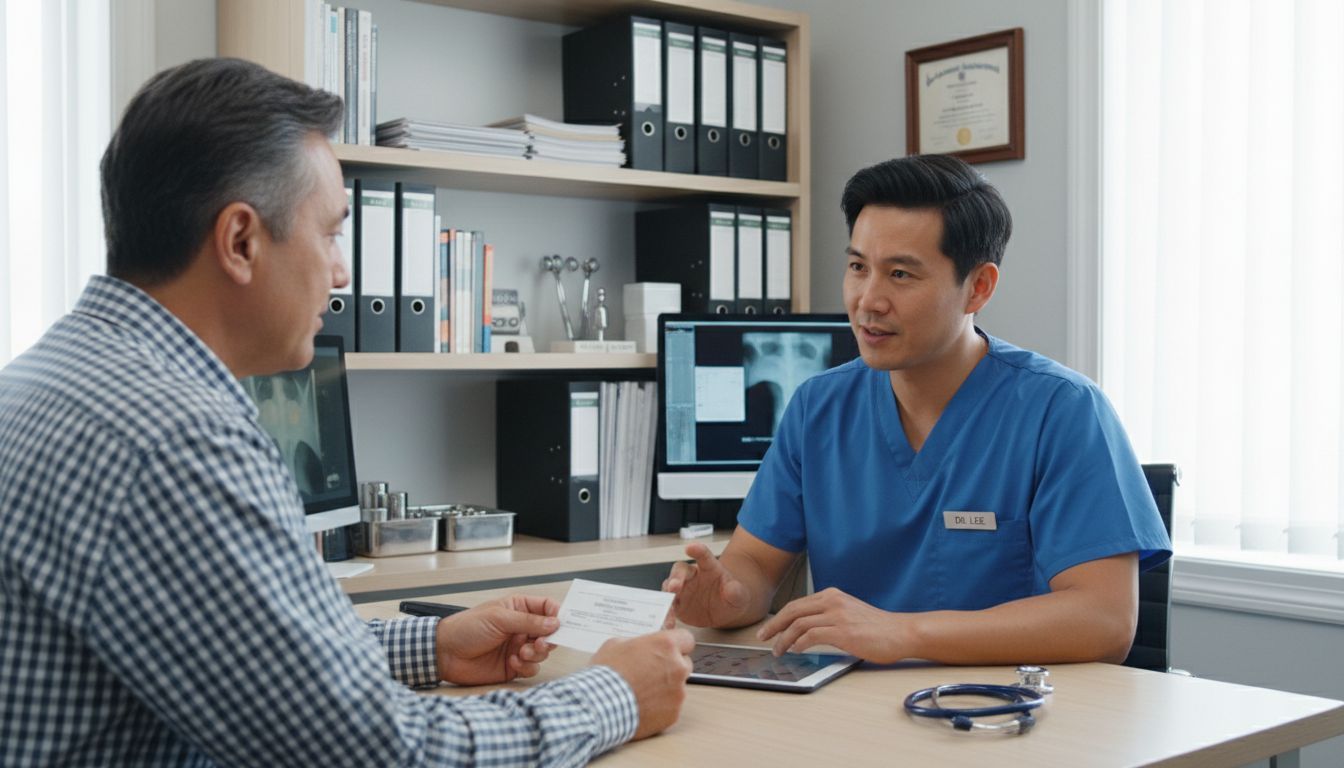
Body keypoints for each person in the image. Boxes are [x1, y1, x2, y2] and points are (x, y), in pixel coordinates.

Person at [0, 57, 693, 766]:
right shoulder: (177, 438)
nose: (343, 272)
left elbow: (243, 645)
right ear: (240, 241)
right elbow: (379, 755)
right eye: (331, 233)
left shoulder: (47, 381)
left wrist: (432, 642)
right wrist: (615, 693)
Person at [663, 154, 1172, 666]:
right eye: (858, 267)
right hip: (853, 713)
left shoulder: (1063, 412)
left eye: (900, 274)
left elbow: (1104, 621)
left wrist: (902, 634)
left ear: (978, 287)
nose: (868, 300)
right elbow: (754, 561)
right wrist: (727, 596)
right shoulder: (818, 407)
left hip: (1004, 715)